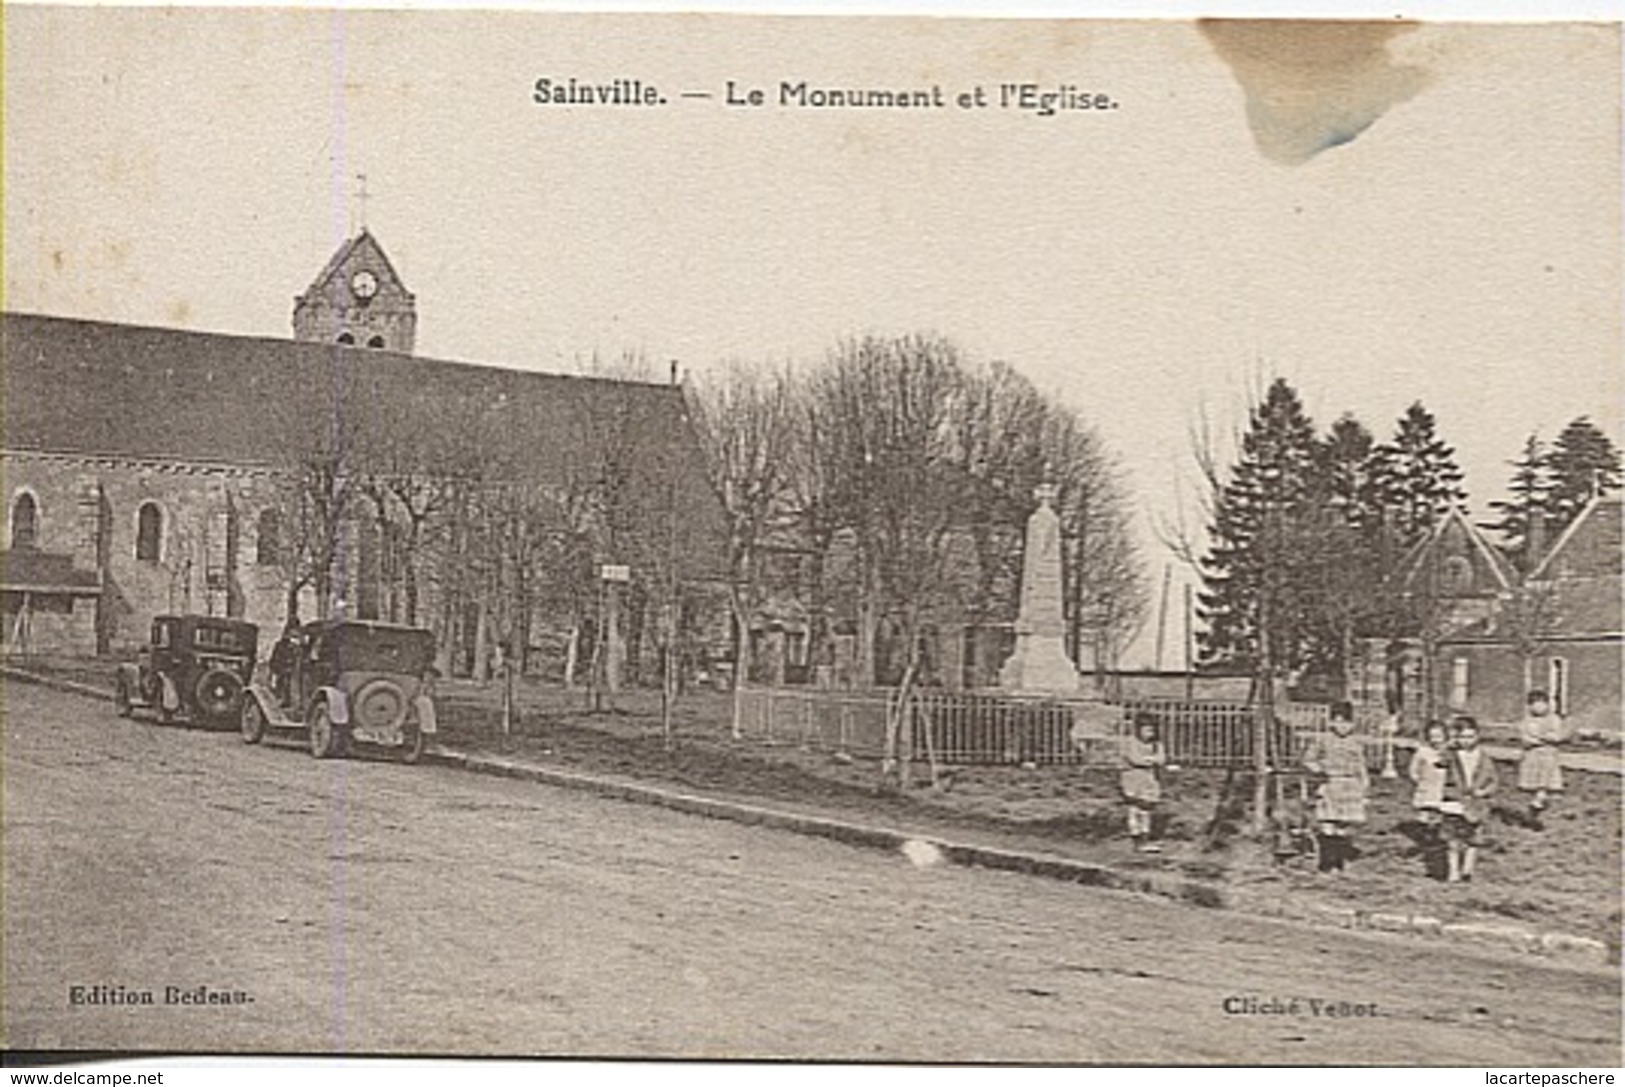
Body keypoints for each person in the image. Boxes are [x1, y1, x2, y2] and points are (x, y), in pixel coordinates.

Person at [1302, 701, 1369, 874]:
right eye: (1338, 722)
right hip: (1331, 783)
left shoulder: (1355, 743)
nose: (1342, 726)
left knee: (1343, 825)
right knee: (1327, 823)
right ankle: (1326, 863)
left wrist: (1364, 785)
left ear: (1353, 724)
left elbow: (1361, 765)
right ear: (1331, 722)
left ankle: (1338, 863)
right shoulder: (1322, 740)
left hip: (1350, 786)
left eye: (1346, 722)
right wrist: (1320, 769)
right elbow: (1309, 759)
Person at [1440, 715, 1498, 883]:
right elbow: (1438, 761)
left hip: (1475, 803)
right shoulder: (1452, 756)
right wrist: (1448, 745)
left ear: (1478, 736)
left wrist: (1483, 791)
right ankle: (1453, 871)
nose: (1466, 741)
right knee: (1452, 839)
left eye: (1470, 736)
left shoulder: (1483, 758)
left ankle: (1467, 869)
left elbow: (1493, 780)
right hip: (1454, 801)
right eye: (1462, 737)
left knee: (1473, 838)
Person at [1516, 689, 1568, 829]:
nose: (1539, 707)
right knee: (1534, 784)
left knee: (1545, 785)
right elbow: (1524, 737)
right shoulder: (1527, 721)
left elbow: (1558, 736)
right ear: (1529, 706)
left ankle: (1536, 806)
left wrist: (1548, 737)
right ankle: (1535, 806)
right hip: (1532, 757)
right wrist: (1532, 741)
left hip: (1548, 757)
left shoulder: (1553, 719)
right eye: (1535, 704)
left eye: (1542, 704)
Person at [1407, 719, 1452, 878]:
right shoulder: (1422, 752)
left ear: (1445, 736)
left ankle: (1434, 843)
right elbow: (1413, 770)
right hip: (1427, 789)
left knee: (1437, 818)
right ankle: (1424, 843)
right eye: (1432, 736)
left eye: (1439, 736)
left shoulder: (1448, 752)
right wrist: (1419, 781)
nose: (1436, 740)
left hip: (1441, 790)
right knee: (1424, 817)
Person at [1119, 711, 1167, 853]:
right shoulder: (1130, 743)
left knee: (1146, 810)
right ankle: (1136, 839)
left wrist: (1151, 760)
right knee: (1134, 810)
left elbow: (1162, 759)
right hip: (1133, 780)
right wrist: (1151, 760)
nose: (1150, 733)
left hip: (1149, 780)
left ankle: (1146, 838)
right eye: (1146, 730)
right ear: (1138, 729)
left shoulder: (1156, 744)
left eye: (1152, 730)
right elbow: (1135, 759)